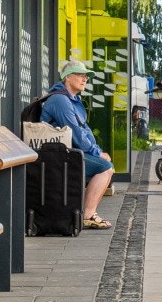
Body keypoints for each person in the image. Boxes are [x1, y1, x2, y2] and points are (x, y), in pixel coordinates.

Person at [39, 60, 114, 229]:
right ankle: (87, 215)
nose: (85, 79)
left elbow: (84, 130)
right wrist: (96, 153)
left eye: (86, 76)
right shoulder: (60, 100)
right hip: (55, 157)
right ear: (67, 77)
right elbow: (76, 133)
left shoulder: (72, 100)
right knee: (105, 168)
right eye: (80, 75)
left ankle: (86, 213)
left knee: (107, 166)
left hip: (66, 152)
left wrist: (97, 150)